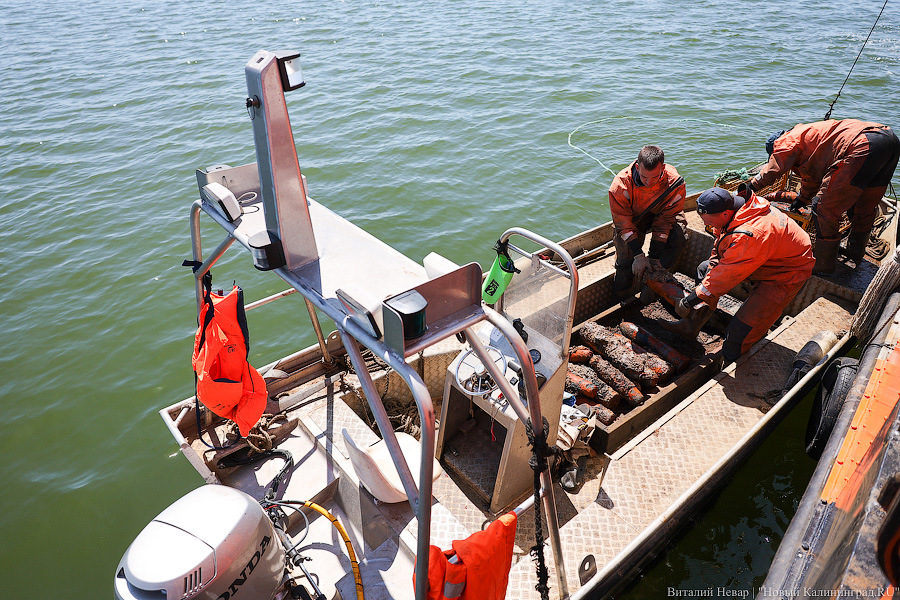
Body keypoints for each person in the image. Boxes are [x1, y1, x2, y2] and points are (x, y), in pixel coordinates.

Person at [665, 185, 815, 365]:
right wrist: (712, 269)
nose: (708, 226)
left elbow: (724, 276)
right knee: (705, 270)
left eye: (710, 223)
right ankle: (692, 327)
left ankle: (732, 364)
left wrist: (688, 301)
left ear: (725, 214)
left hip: (784, 274)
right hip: (761, 258)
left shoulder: (751, 233)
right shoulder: (737, 210)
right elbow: (720, 245)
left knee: (738, 333)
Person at [748, 119, 900, 274]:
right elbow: (812, 178)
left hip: (861, 144)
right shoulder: (808, 138)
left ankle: (823, 265)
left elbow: (771, 171)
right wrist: (802, 199)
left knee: (823, 208)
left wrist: (750, 187)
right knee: (863, 207)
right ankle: (855, 253)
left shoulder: (785, 140)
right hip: (888, 141)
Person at [609, 145, 688, 299]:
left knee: (678, 237)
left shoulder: (674, 182)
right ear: (637, 167)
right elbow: (623, 224)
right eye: (644, 177)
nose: (649, 182)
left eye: (655, 177)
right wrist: (639, 256)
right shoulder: (620, 185)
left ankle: (657, 283)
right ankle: (621, 296)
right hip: (633, 218)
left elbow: (665, 221)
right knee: (626, 259)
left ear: (663, 168)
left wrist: (654, 257)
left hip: (661, 213)